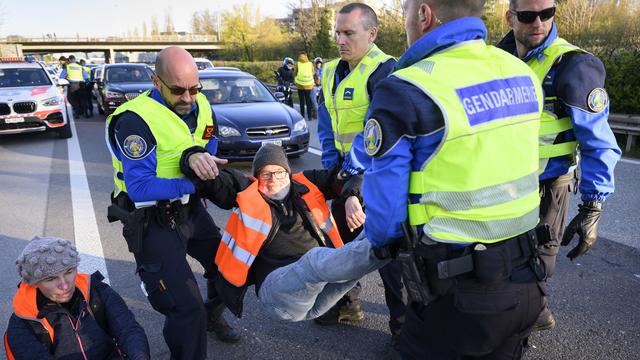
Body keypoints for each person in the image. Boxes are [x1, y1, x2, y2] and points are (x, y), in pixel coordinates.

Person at [361, 0, 550, 357]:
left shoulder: (406, 87)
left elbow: (385, 218)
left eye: (406, 13)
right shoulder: (521, 72)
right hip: (527, 280)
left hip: (455, 297)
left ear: (424, 14)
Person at [104, 46, 240, 360]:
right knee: (184, 308)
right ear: (155, 81)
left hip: (190, 208)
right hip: (152, 218)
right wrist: (194, 179)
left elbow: (208, 142)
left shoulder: (202, 105)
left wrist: (201, 161)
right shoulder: (136, 120)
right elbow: (139, 187)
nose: (188, 97)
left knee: (229, 267)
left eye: (195, 88)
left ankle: (212, 314)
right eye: (178, 90)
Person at [497, 0, 621, 331]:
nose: (539, 22)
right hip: (501, 181)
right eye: (527, 16)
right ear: (510, 17)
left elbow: (598, 142)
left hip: (551, 183)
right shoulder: (496, 59)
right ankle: (528, 311)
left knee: (539, 260)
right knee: (498, 259)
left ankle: (529, 315)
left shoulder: (575, 65)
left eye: (547, 13)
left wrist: (593, 206)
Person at [180, 143, 369, 321]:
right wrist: (192, 157)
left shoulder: (307, 182)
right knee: (315, 259)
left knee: (372, 244)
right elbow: (214, 182)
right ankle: (209, 317)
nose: (274, 180)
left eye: (279, 172)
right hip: (280, 291)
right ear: (256, 176)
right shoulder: (245, 189)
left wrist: (351, 196)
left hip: (321, 292)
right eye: (266, 175)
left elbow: (348, 174)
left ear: (288, 172)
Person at [315, 4, 406, 347]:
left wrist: (353, 175)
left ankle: (402, 329)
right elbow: (326, 127)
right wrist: (331, 172)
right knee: (340, 243)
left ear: (372, 33)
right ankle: (348, 304)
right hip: (343, 172)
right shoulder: (330, 72)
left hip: (376, 175)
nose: (340, 39)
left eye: (348, 33)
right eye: (337, 32)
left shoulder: (385, 71)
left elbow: (378, 133)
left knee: (388, 254)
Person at [4, 236, 150, 360]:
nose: (65, 285)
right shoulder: (24, 322)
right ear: (35, 283)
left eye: (69, 271)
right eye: (50, 279)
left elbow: (128, 329)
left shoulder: (97, 291)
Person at [294, 52, 315, 119]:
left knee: (302, 101)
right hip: (309, 85)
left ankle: (302, 116)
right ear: (306, 57)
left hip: (300, 85)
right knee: (308, 101)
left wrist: (295, 79)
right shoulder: (310, 64)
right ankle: (309, 117)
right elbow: (313, 72)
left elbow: (295, 73)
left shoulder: (298, 63)